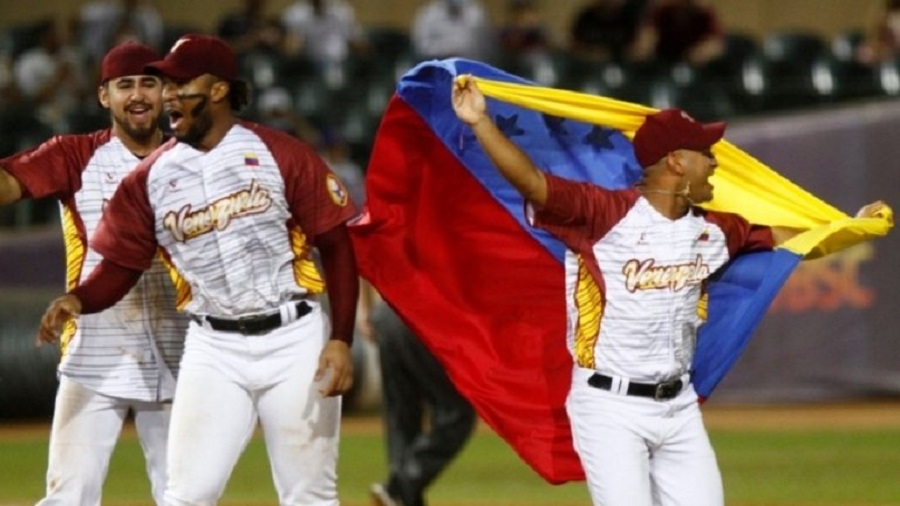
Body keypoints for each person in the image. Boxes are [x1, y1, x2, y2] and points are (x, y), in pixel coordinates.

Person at [450, 76, 886, 506]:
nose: (714, 163)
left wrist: (849, 226)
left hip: (677, 406)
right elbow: (530, 183)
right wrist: (480, 122)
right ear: (676, 162)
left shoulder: (715, 229)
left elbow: (791, 240)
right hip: (609, 406)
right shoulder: (604, 214)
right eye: (705, 154)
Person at [36, 34, 359, 505]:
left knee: (310, 494)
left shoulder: (280, 154)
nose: (168, 93)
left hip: (294, 338)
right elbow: (122, 267)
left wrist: (342, 338)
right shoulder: (149, 178)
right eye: (167, 82)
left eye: (181, 82)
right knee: (186, 494)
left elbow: (337, 245)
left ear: (218, 90)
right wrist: (79, 299)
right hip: (212, 344)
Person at [0, 41, 185, 506]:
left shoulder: (194, 158)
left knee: (187, 496)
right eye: (125, 85)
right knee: (69, 495)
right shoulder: (75, 156)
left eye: (149, 83)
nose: (138, 95)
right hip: (95, 351)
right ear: (105, 96)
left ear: (166, 92)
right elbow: (8, 184)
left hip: (180, 351)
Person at [366, 293, 476, 506]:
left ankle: (401, 498)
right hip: (423, 316)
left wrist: (366, 310)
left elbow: (359, 261)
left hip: (386, 312)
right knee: (457, 412)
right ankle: (400, 487)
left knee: (401, 415)